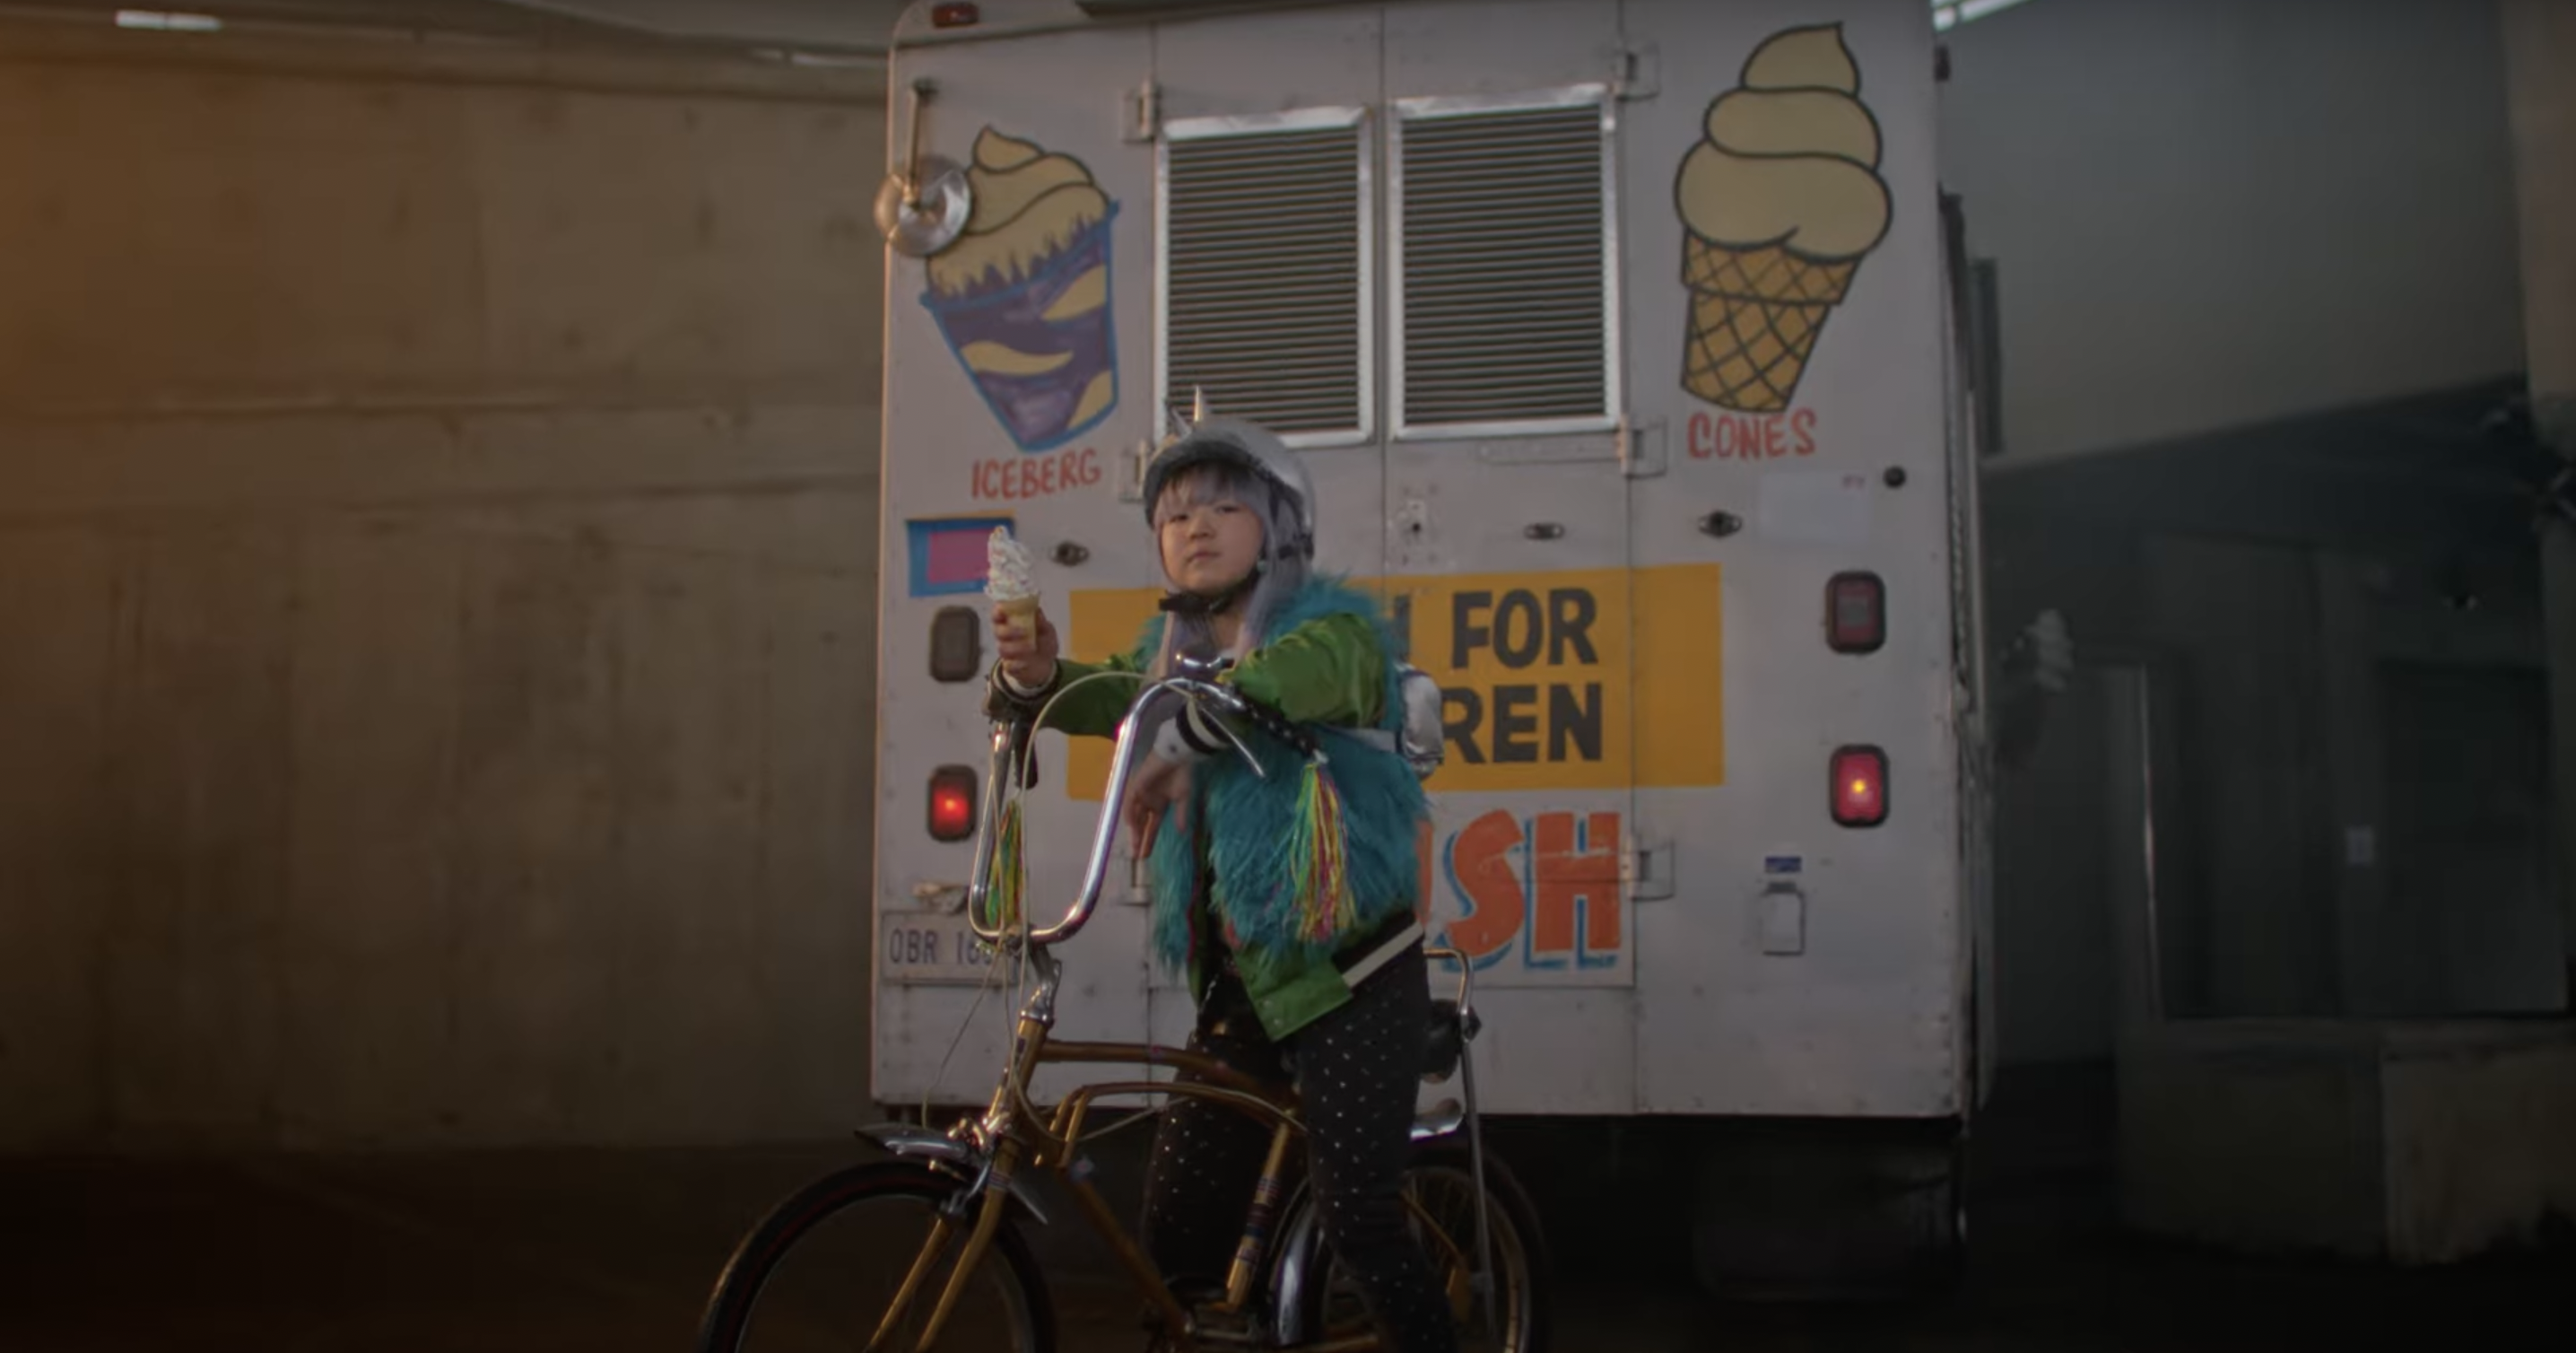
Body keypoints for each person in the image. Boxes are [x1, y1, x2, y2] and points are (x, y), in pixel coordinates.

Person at [985, 415, 1456, 1353]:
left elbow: (1284, 680)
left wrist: (1181, 742)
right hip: (1243, 991)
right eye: (1173, 516)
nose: (1194, 527)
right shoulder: (1175, 664)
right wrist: (1038, 674)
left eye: (1224, 507)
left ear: (1279, 527)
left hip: (1353, 980)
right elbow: (1116, 695)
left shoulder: (1333, 634)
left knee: (1359, 1216)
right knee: (1176, 1232)